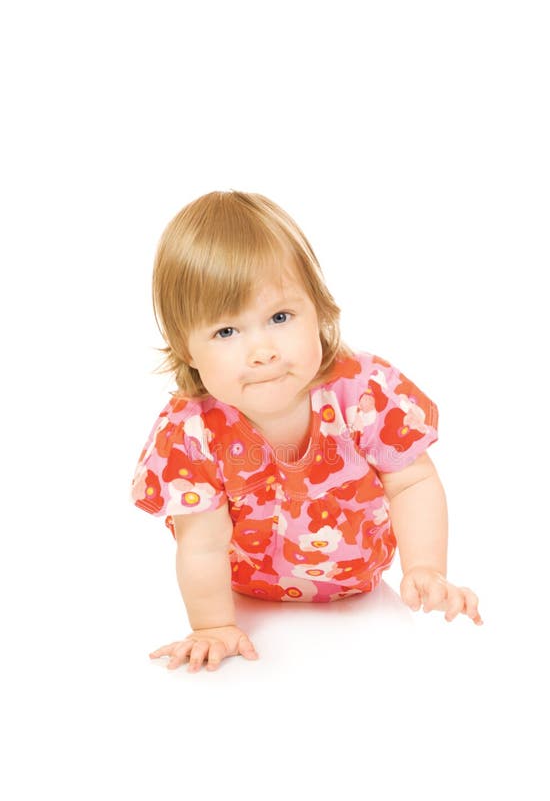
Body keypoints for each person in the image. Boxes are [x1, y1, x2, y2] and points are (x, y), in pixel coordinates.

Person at [131, 191, 483, 673]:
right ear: (186, 349)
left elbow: (412, 481)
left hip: (361, 583)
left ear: (318, 310)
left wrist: (425, 567)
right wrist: (212, 625)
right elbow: (203, 541)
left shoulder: (364, 392)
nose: (262, 351)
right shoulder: (190, 432)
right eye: (226, 332)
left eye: (280, 317)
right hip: (247, 586)